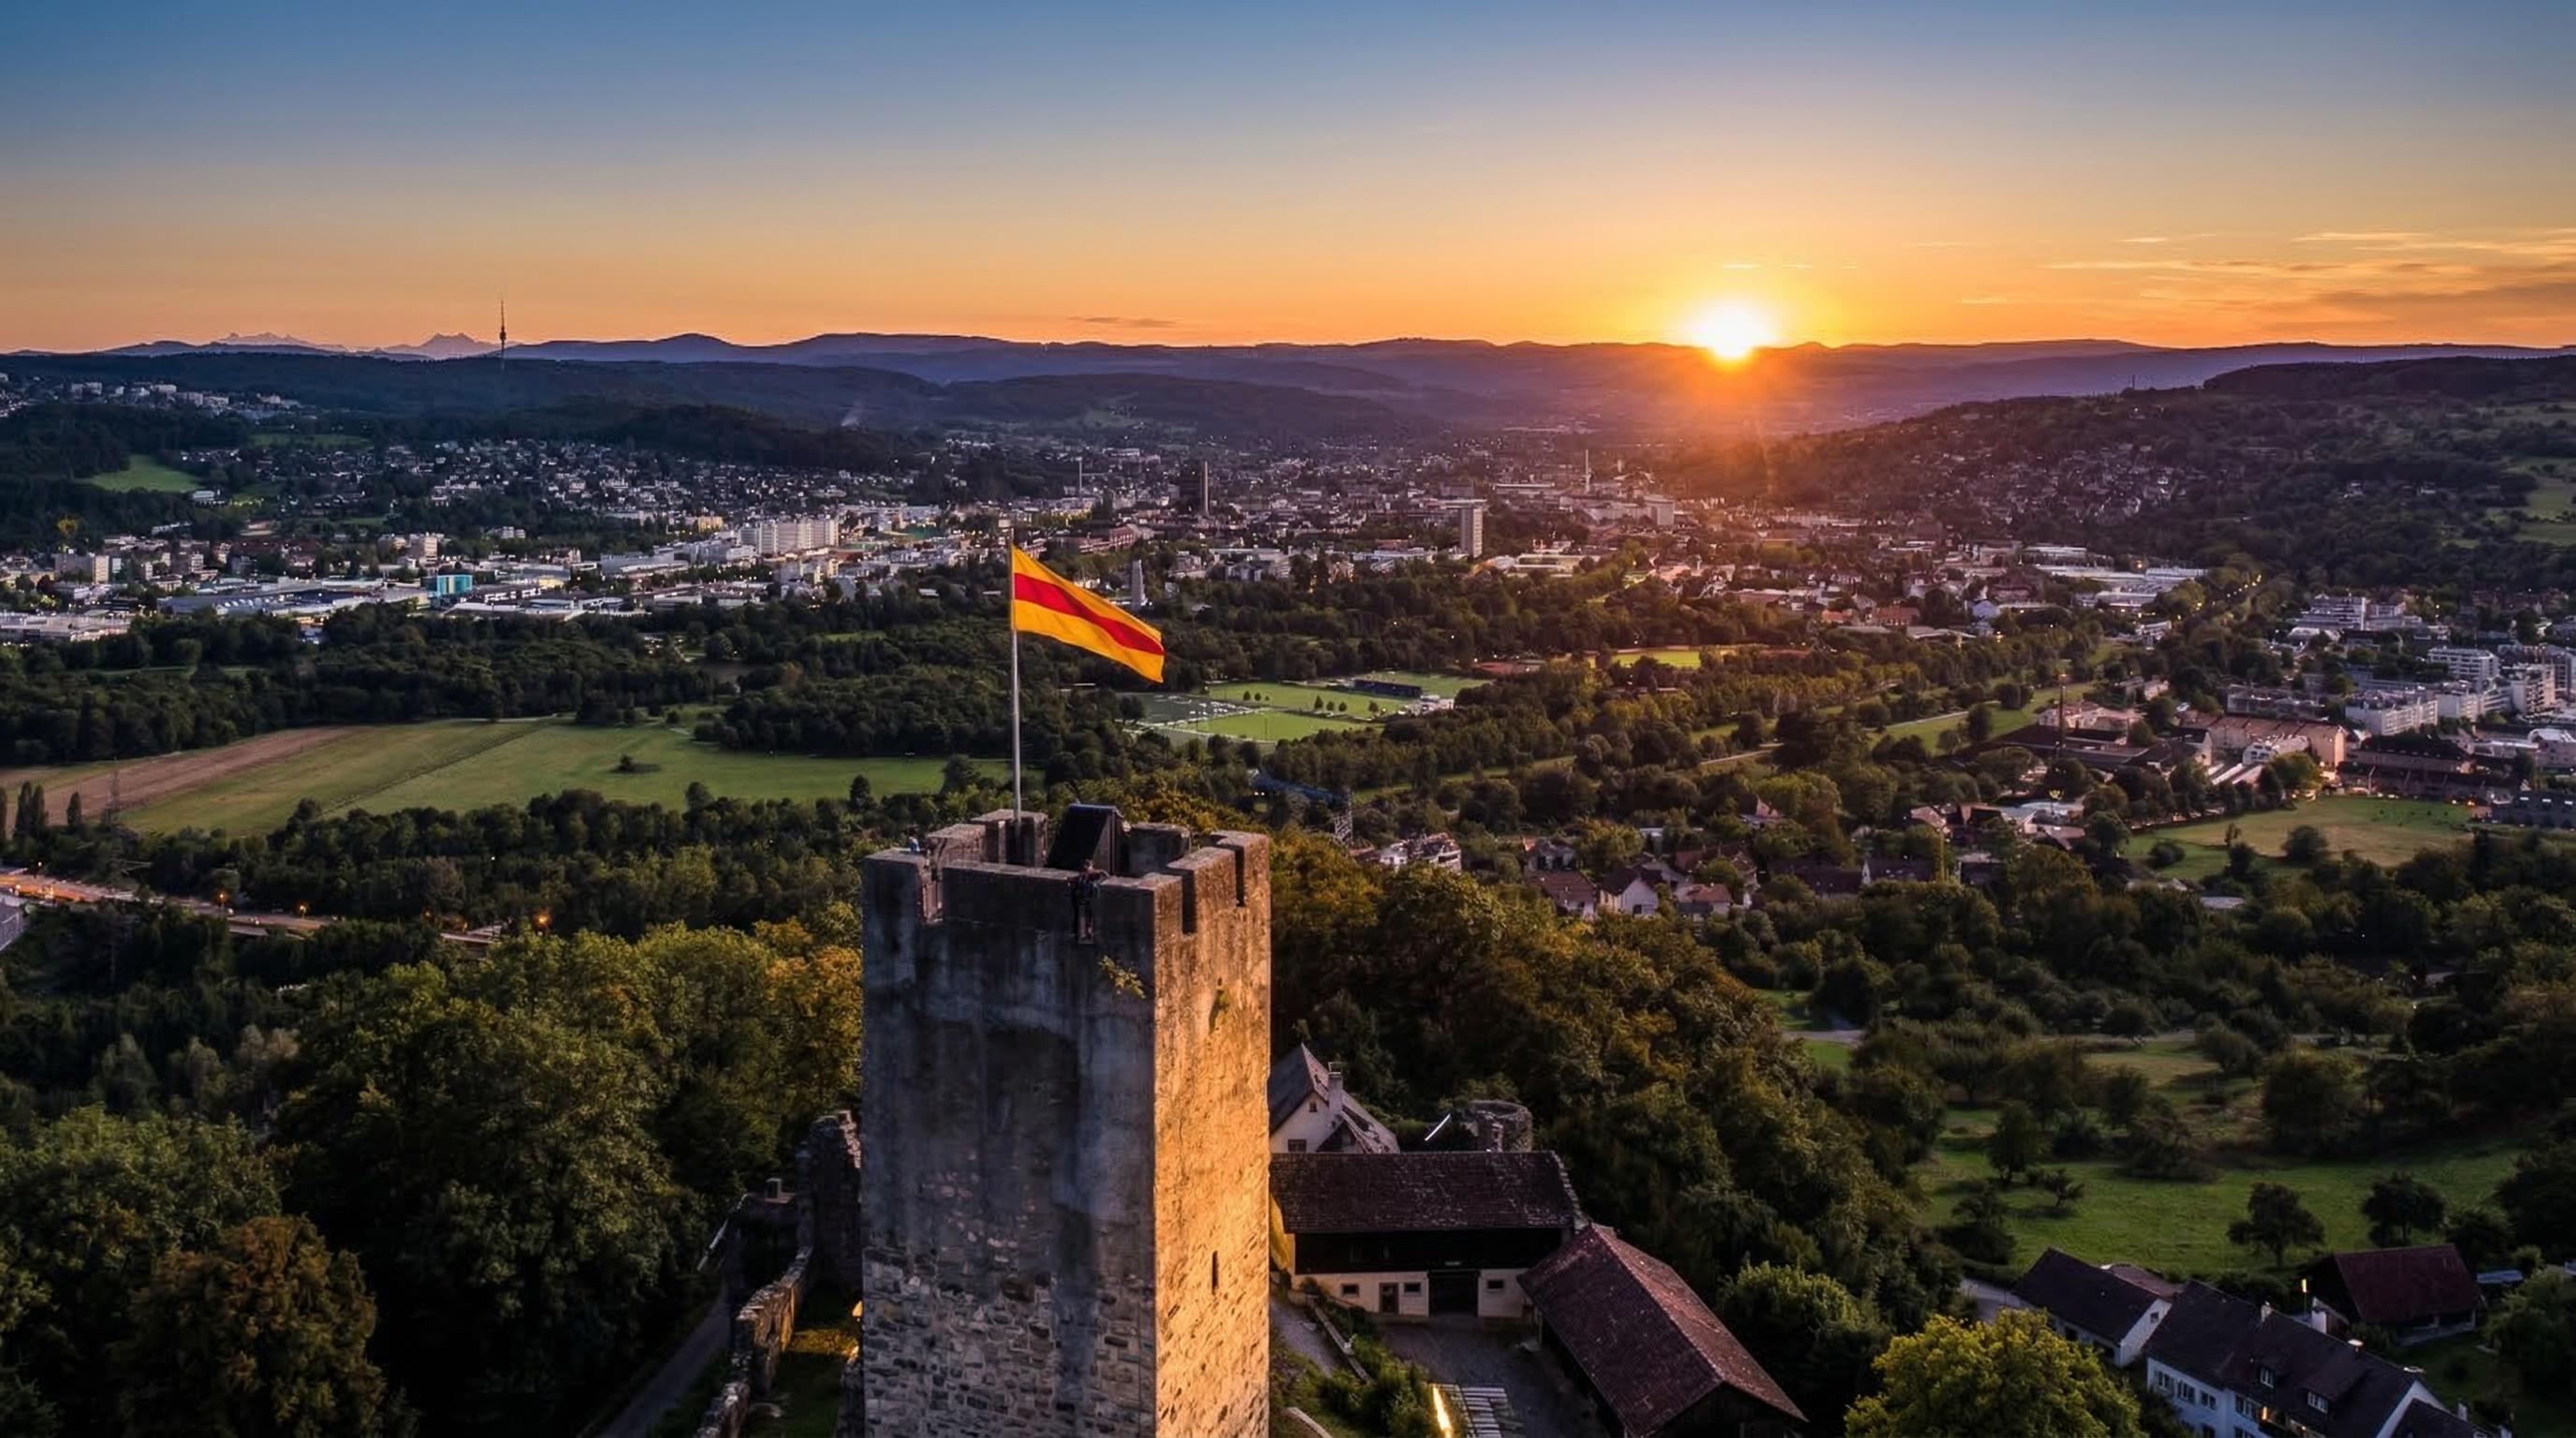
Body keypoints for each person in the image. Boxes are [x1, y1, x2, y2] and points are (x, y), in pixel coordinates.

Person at [1070, 861, 1105, 943]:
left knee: (1088, 917)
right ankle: (1083, 935)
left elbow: (1102, 873)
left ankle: (1088, 934)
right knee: (1083, 917)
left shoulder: (1091, 875)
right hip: (1084, 899)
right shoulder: (1083, 876)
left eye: (1087, 866)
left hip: (1088, 899)